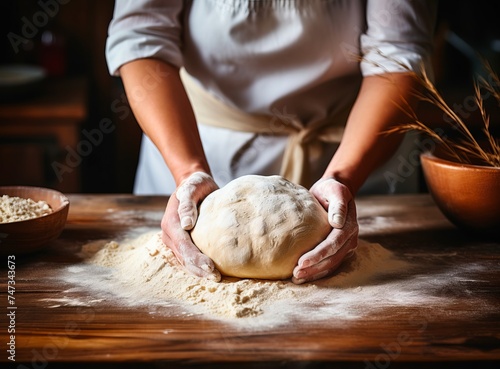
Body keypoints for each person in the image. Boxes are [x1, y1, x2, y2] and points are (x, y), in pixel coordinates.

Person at [106, 0, 437, 284]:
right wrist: (188, 172)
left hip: (356, 141)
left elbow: (398, 52)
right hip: (194, 140)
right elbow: (141, 36)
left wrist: (343, 178)